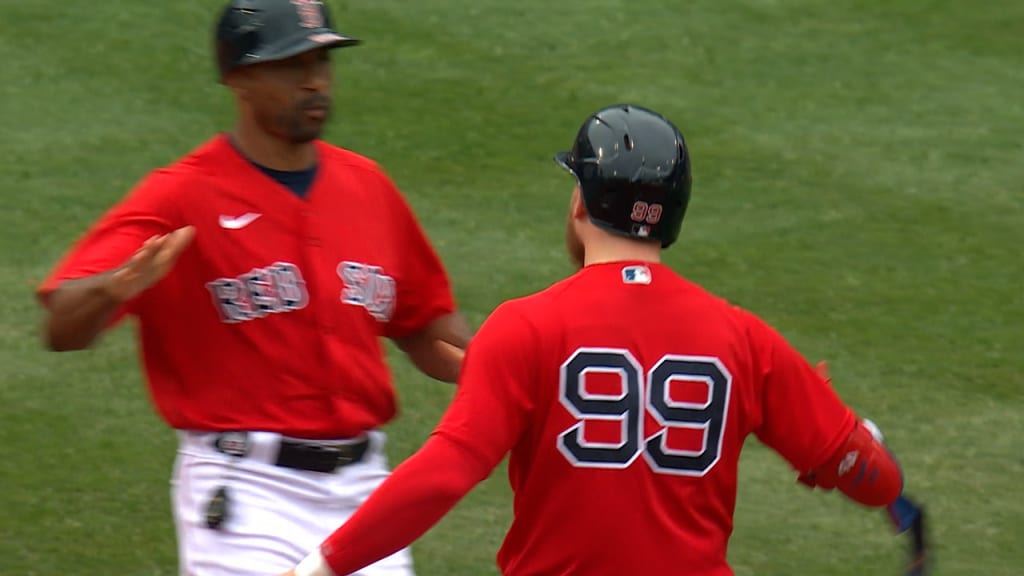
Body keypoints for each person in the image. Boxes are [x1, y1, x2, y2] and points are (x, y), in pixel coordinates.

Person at [278, 104, 924, 576]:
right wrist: (893, 492)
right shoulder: (743, 339)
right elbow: (858, 467)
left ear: (581, 203)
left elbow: (442, 476)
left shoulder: (527, 327)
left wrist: (321, 567)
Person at [35, 1, 471, 575]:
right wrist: (115, 287)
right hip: (245, 490)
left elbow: (427, 330)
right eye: (293, 65)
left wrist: (507, 371)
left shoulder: (368, 189)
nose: (315, 81)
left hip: (365, 493)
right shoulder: (181, 197)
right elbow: (61, 328)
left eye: (321, 61)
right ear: (239, 77)